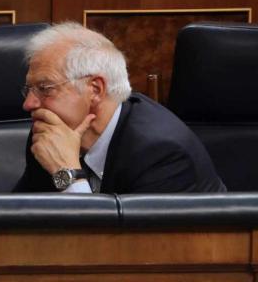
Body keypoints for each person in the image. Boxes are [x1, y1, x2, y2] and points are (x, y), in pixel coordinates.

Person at [14, 22, 226, 193]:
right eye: (29, 89)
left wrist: (67, 174)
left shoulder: (162, 154)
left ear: (95, 89)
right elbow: (17, 224)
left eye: (44, 88)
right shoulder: (52, 135)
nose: (29, 103)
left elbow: (113, 246)